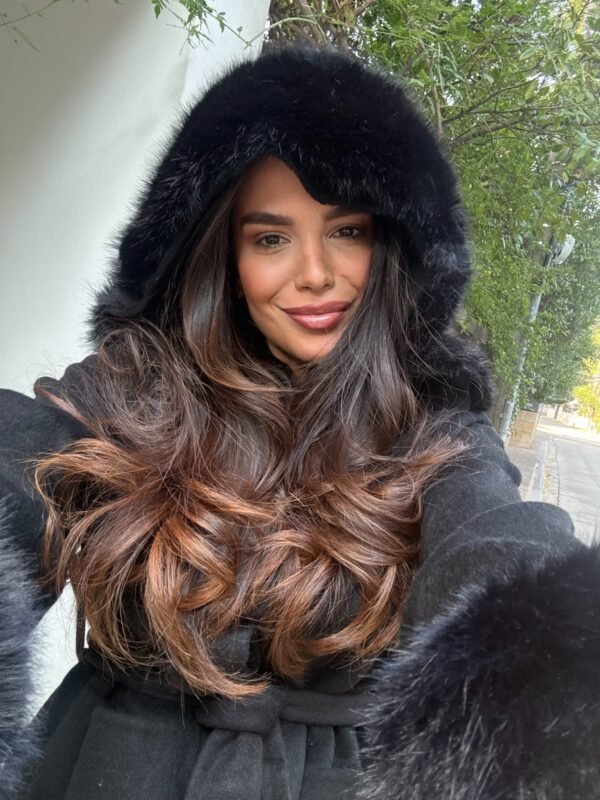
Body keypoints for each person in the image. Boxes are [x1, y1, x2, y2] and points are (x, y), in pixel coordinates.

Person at [1, 41, 598, 800]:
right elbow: (20, 462)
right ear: (225, 259)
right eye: (271, 238)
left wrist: (546, 662)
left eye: (346, 231)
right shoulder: (131, 389)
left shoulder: (435, 428)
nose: (315, 273)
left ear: (390, 246)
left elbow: (497, 541)